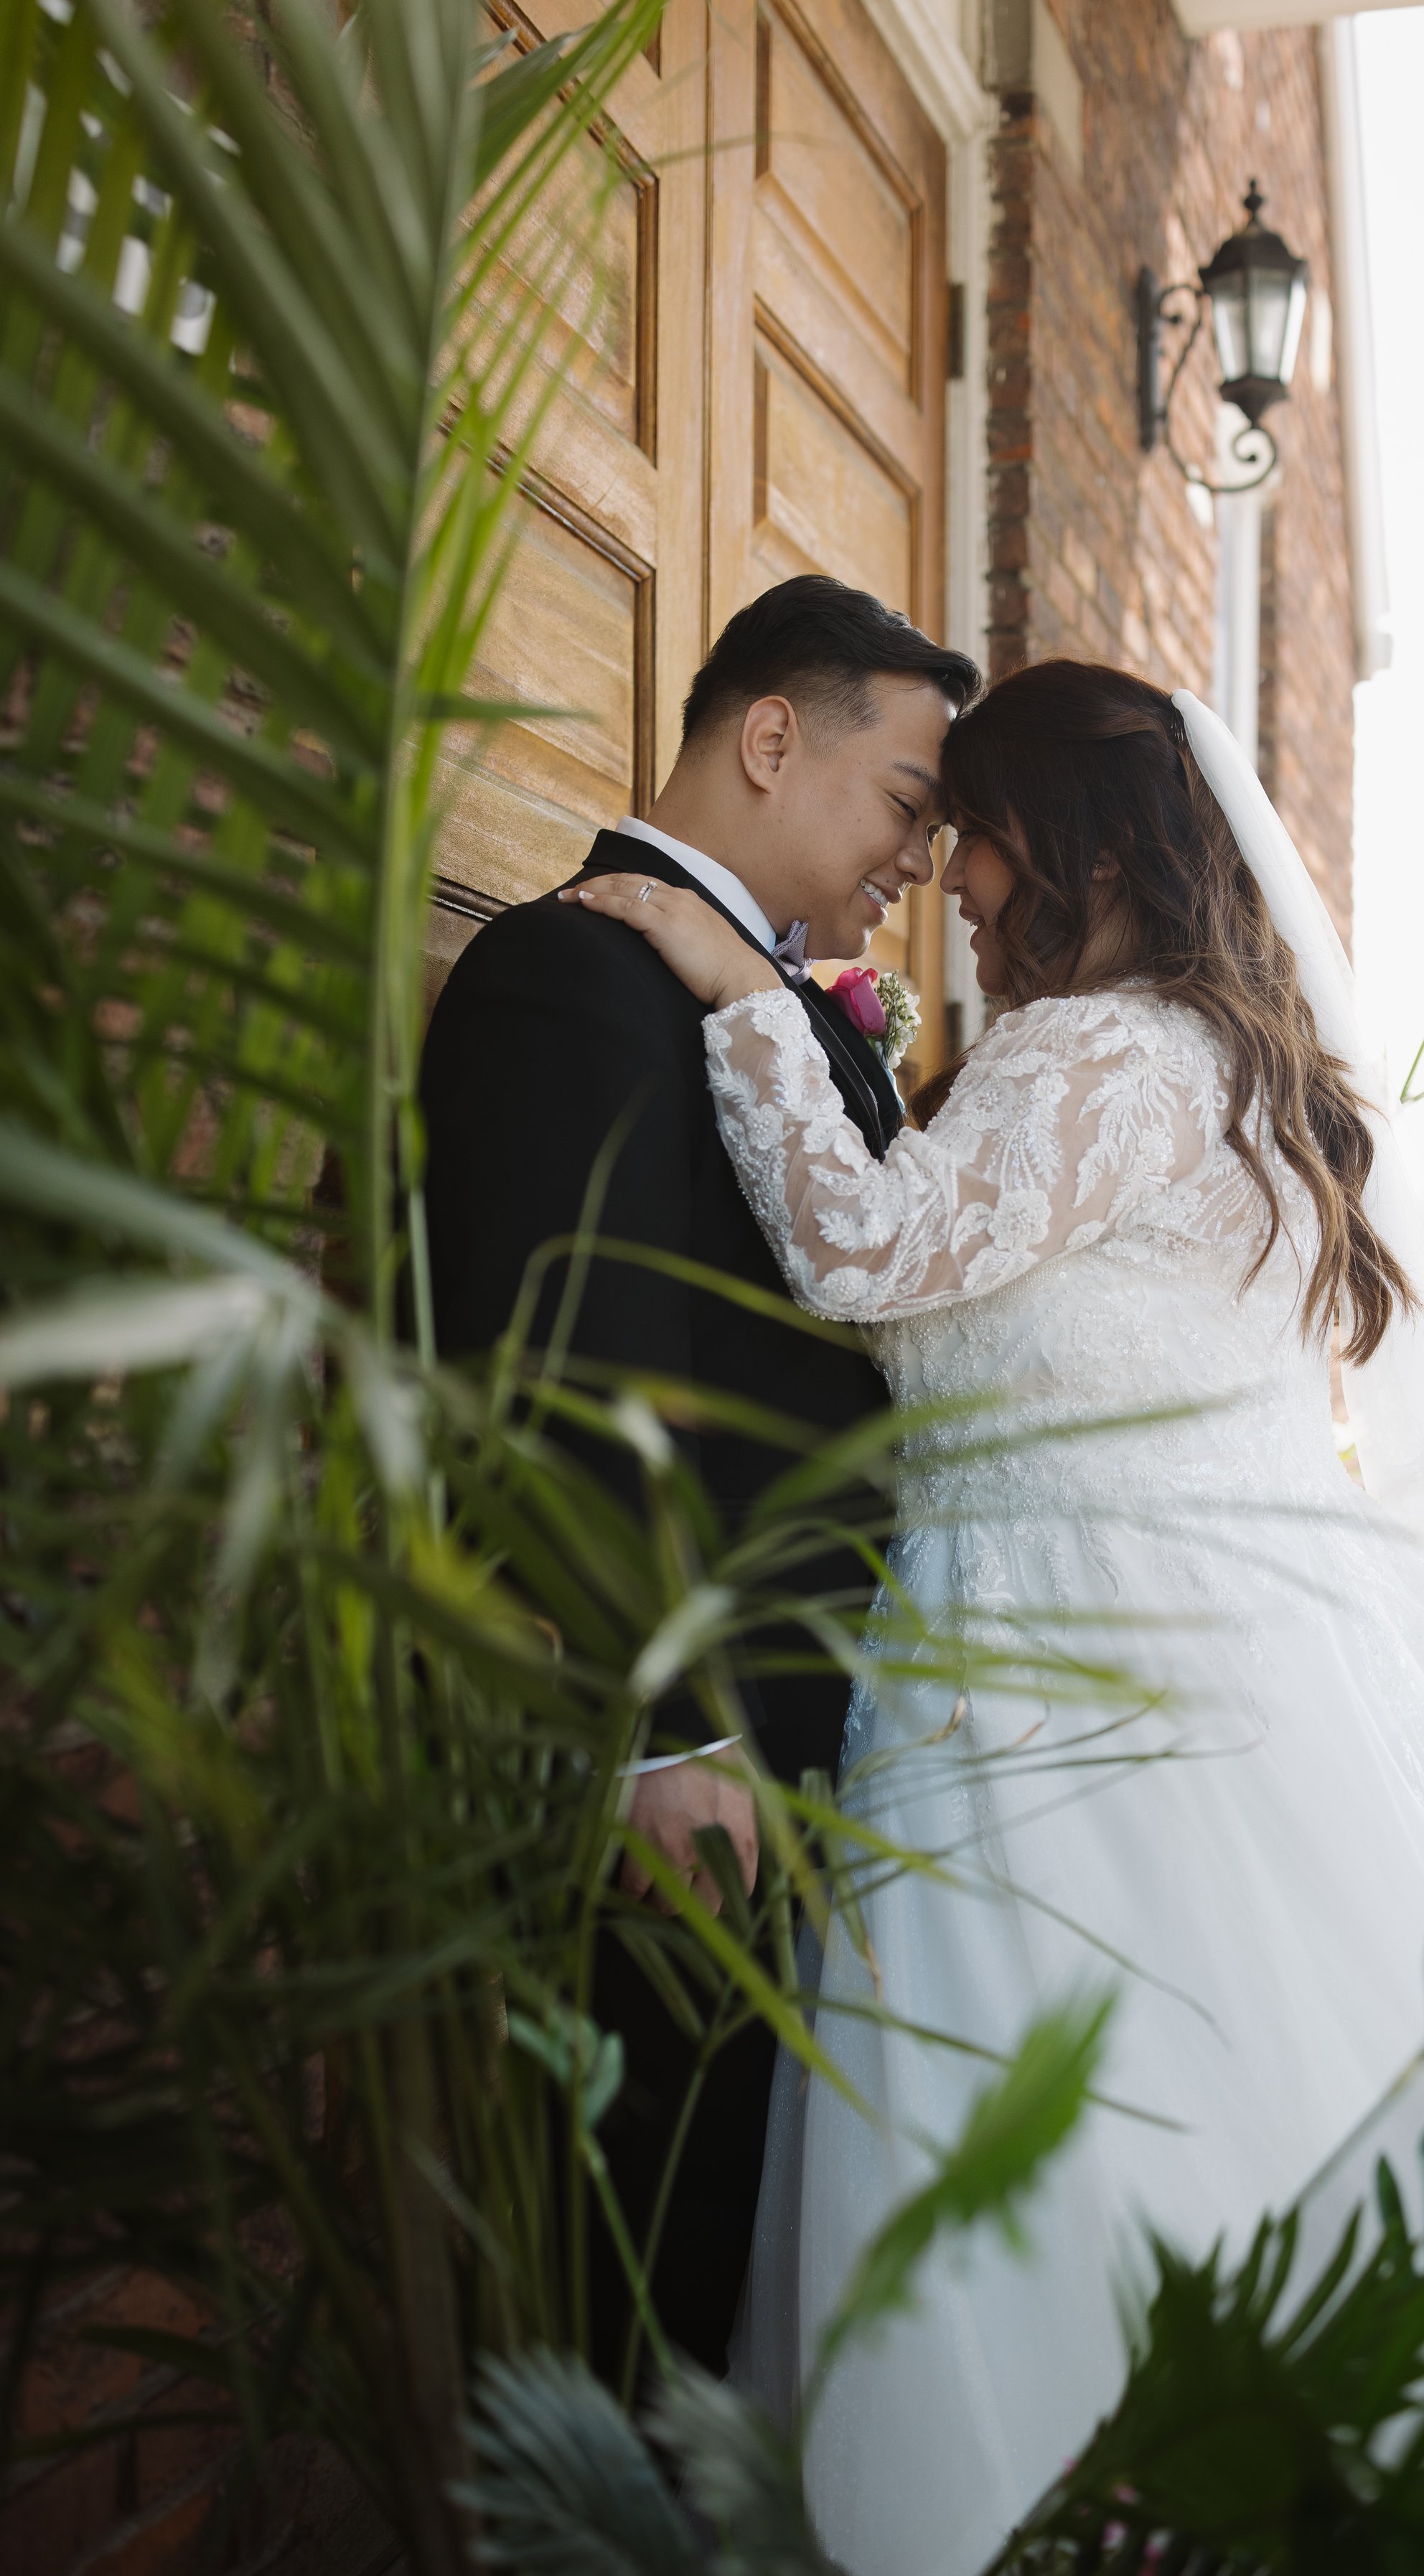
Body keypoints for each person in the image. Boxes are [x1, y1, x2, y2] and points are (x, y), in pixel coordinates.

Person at [563, 659, 1424, 2576]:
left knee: (1068, 2120)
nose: (945, 869)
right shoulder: (1230, 1058)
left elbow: (877, 1252)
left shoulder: (1095, 1052)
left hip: (1060, 1673)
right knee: (1258, 2086)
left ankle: (1059, 2558)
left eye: (964, 824)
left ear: (1055, 835)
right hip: (1228, 1634)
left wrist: (744, 1002)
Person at [419, 577, 978, 2383]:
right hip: (684, 1759)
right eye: (903, 797)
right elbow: (552, 1373)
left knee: (726, 2235)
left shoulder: (781, 1004)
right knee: (638, 2267)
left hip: (807, 1735)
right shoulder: (564, 974)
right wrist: (662, 1730)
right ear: (766, 736)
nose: (914, 851)